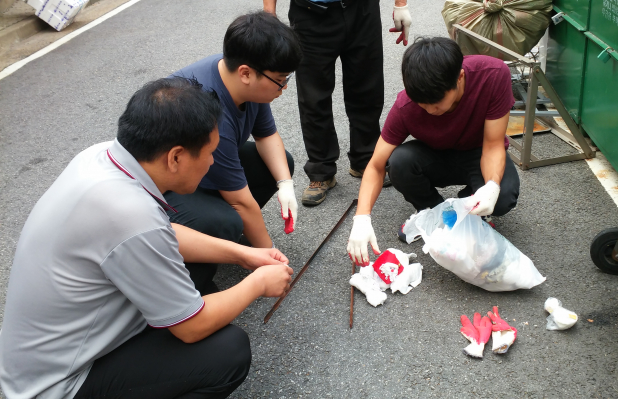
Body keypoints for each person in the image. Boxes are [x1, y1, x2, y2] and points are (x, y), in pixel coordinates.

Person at [0, 77, 294, 399]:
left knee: (197, 277)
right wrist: (259, 283)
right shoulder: (130, 215)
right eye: (209, 153)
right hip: (57, 384)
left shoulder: (102, 157)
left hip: (37, 356)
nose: (212, 161)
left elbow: (161, 235)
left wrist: (244, 255)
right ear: (175, 157)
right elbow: (191, 326)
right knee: (228, 351)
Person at [346, 37, 520, 265]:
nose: (429, 110)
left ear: (459, 78)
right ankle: (435, 213)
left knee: (503, 196)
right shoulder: (405, 106)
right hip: (435, 155)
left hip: (479, 152)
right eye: (422, 104)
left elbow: (493, 144)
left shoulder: (492, 74)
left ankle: (470, 204)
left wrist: (492, 186)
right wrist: (361, 217)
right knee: (399, 162)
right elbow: (376, 165)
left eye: (436, 103)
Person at [165, 11, 302, 294]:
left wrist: (285, 184)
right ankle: (190, 276)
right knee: (228, 219)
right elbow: (241, 202)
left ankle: (222, 233)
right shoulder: (210, 110)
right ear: (246, 73)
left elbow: (267, 136)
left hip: (200, 170)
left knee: (280, 165)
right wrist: (270, 257)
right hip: (163, 193)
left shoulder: (245, 77)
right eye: (280, 80)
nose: (284, 87)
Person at [263, 0, 412, 206]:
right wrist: (269, 14)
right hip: (310, 13)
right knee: (313, 97)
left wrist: (400, 4)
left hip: (362, 9)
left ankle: (366, 159)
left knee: (367, 88)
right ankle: (321, 169)